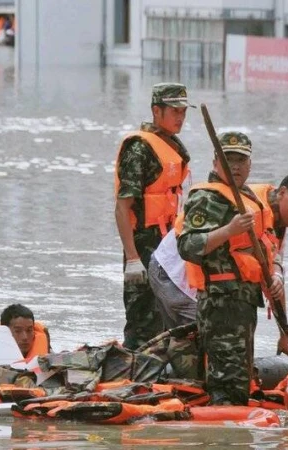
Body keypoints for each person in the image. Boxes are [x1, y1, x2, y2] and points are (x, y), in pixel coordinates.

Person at [149, 170, 288, 377]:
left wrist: (284, 334)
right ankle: (159, 379)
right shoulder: (249, 208)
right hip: (175, 274)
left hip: (194, 280)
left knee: (214, 348)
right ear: (283, 192)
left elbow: (273, 282)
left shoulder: (276, 223)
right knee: (213, 349)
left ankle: (163, 372)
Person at [177, 131, 281, 406]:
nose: (235, 166)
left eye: (240, 160)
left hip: (244, 302)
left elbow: (269, 243)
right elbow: (187, 246)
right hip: (220, 303)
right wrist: (229, 230)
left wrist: (276, 274)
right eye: (228, 159)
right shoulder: (206, 198)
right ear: (215, 162)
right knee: (226, 381)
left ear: (250, 165)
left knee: (240, 379)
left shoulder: (249, 198)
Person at [114, 82, 194, 350]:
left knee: (167, 315)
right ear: (156, 111)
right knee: (141, 317)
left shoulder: (173, 145)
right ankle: (134, 368)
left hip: (169, 243)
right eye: (175, 111)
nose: (180, 117)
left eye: (183, 111)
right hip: (144, 243)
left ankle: (164, 371)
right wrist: (133, 259)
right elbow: (122, 207)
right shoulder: (139, 149)